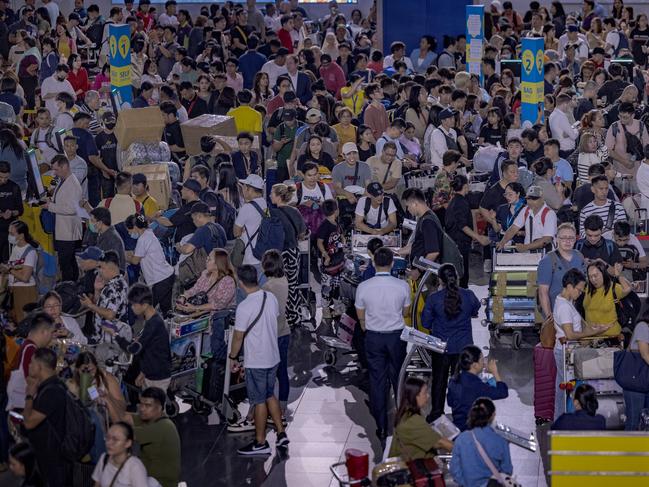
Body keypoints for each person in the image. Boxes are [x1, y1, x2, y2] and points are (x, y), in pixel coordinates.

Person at [228, 265, 289, 455]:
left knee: (259, 400)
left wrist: (232, 357)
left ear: (240, 283)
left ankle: (260, 442)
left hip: (257, 360)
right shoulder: (269, 297)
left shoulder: (244, 307)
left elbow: (238, 337)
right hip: (273, 356)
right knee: (270, 394)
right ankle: (281, 433)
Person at [355, 247, 410, 441]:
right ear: (392, 264)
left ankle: (380, 425)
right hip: (396, 337)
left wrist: (368, 328)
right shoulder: (403, 286)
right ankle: (402, 420)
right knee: (399, 378)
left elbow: (360, 315)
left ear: (373, 263)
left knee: (377, 381)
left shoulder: (364, 287)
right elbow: (405, 312)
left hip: (374, 337)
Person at [422, 263, 480, 423]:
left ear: (439, 280)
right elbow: (476, 308)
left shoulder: (434, 299)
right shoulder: (468, 295)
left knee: (439, 381)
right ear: (457, 277)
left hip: (441, 348)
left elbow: (425, 323)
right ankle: (460, 414)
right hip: (464, 348)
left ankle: (436, 413)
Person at [553, 268, 613, 418]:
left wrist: (593, 328)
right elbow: (571, 334)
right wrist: (595, 333)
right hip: (566, 351)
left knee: (564, 389)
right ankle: (562, 423)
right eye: (579, 290)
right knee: (565, 390)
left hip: (567, 351)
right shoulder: (564, 307)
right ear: (569, 287)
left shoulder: (565, 301)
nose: (580, 293)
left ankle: (563, 421)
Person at [106, 387, 180, 487]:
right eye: (141, 404)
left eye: (148, 405)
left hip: (160, 483)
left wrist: (108, 401)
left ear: (160, 407)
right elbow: (124, 417)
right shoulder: (151, 418)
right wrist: (108, 398)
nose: (142, 408)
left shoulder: (163, 427)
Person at [177, 248, 236, 362]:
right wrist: (184, 297)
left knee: (206, 356)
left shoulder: (228, 281)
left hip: (215, 325)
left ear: (217, 264)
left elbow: (219, 305)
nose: (206, 260)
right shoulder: (205, 274)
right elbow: (195, 289)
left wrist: (195, 308)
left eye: (209, 259)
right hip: (198, 318)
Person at [23, 347, 69, 486]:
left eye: (31, 363)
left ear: (39, 366)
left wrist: (29, 395)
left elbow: (28, 423)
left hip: (52, 462)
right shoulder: (53, 385)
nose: (29, 366)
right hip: (48, 458)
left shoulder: (51, 392)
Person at [450, 398, 513, 486]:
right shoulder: (500, 440)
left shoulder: (461, 439)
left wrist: (466, 483)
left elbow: (454, 469)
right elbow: (507, 470)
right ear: (493, 415)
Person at [388, 377, 453, 459]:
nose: (428, 396)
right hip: (415, 466)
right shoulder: (413, 421)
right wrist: (465, 451)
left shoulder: (407, 415)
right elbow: (440, 443)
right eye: (425, 393)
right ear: (415, 396)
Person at [270, 184, 307, 328]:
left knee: (276, 285)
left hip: (278, 254)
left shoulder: (271, 213)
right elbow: (302, 233)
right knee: (292, 285)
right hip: (292, 251)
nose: (270, 196)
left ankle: (280, 316)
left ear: (279, 196)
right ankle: (294, 316)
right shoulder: (295, 211)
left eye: (272, 193)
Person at [447, 345, 509, 431]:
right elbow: (503, 392)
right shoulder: (475, 384)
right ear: (475, 365)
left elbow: (450, 402)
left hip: (457, 424)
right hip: (471, 428)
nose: (484, 363)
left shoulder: (454, 380)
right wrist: (495, 372)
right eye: (482, 360)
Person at [445, 176, 492, 287]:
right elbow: (463, 226)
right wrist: (478, 237)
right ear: (465, 186)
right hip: (458, 244)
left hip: (456, 242)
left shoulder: (455, 201)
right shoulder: (460, 203)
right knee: (462, 275)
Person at [125, 214, 175, 315]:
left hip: (161, 279)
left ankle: (151, 329)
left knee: (147, 309)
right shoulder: (148, 233)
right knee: (166, 310)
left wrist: (126, 256)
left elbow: (135, 261)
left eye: (129, 230)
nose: (129, 232)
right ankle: (167, 328)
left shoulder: (142, 239)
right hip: (167, 276)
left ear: (135, 227)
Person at [260, 250, 291, 415]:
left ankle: (267, 407)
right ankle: (283, 405)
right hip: (284, 330)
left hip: (273, 334)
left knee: (268, 374)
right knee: (283, 371)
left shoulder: (267, 287)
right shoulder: (283, 280)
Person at [43, 155, 82, 282]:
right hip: (63, 229)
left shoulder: (73, 184)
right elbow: (62, 199)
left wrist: (50, 206)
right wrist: (51, 200)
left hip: (68, 231)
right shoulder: (64, 179)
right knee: (69, 262)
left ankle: (68, 288)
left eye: (56, 169)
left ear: (64, 166)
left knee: (66, 264)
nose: (54, 173)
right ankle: (72, 285)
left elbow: (71, 209)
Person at [496, 185, 557, 253]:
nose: (530, 202)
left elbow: (547, 239)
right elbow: (513, 228)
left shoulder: (549, 214)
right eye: (528, 199)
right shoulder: (525, 210)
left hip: (546, 255)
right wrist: (502, 242)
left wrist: (526, 247)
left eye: (534, 199)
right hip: (528, 254)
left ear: (542, 199)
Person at [92, 422, 149, 487]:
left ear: (128, 443)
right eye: (107, 437)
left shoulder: (135, 466)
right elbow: (97, 484)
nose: (109, 443)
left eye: (115, 439)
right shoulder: (104, 458)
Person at [583, 260, 630, 338]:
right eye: (590, 276)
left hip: (610, 336)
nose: (593, 279)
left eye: (596, 275)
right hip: (590, 337)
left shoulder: (613, 288)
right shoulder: (588, 288)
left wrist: (618, 275)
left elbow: (628, 288)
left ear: (603, 273)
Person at [3, 221, 39, 322]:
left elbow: (25, 278)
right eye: (9, 232)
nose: (9, 236)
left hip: (26, 290)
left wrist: (9, 269)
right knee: (17, 321)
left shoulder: (30, 251)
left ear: (21, 235)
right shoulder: (15, 248)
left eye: (12, 234)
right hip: (15, 289)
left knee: (26, 322)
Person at [233, 174, 267, 271]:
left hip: (249, 256)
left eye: (244, 187)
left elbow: (236, 232)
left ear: (249, 189)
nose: (242, 189)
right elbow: (266, 221)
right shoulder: (265, 204)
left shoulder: (246, 208)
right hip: (261, 254)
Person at [622, 311, 649, 430]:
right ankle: (629, 448)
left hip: (642, 379)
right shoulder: (643, 326)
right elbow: (644, 354)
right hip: (636, 380)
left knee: (644, 420)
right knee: (634, 421)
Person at [89, 207, 126, 272]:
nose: (91, 224)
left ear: (100, 222)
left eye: (92, 221)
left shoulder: (113, 239)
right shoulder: (103, 235)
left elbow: (112, 267)